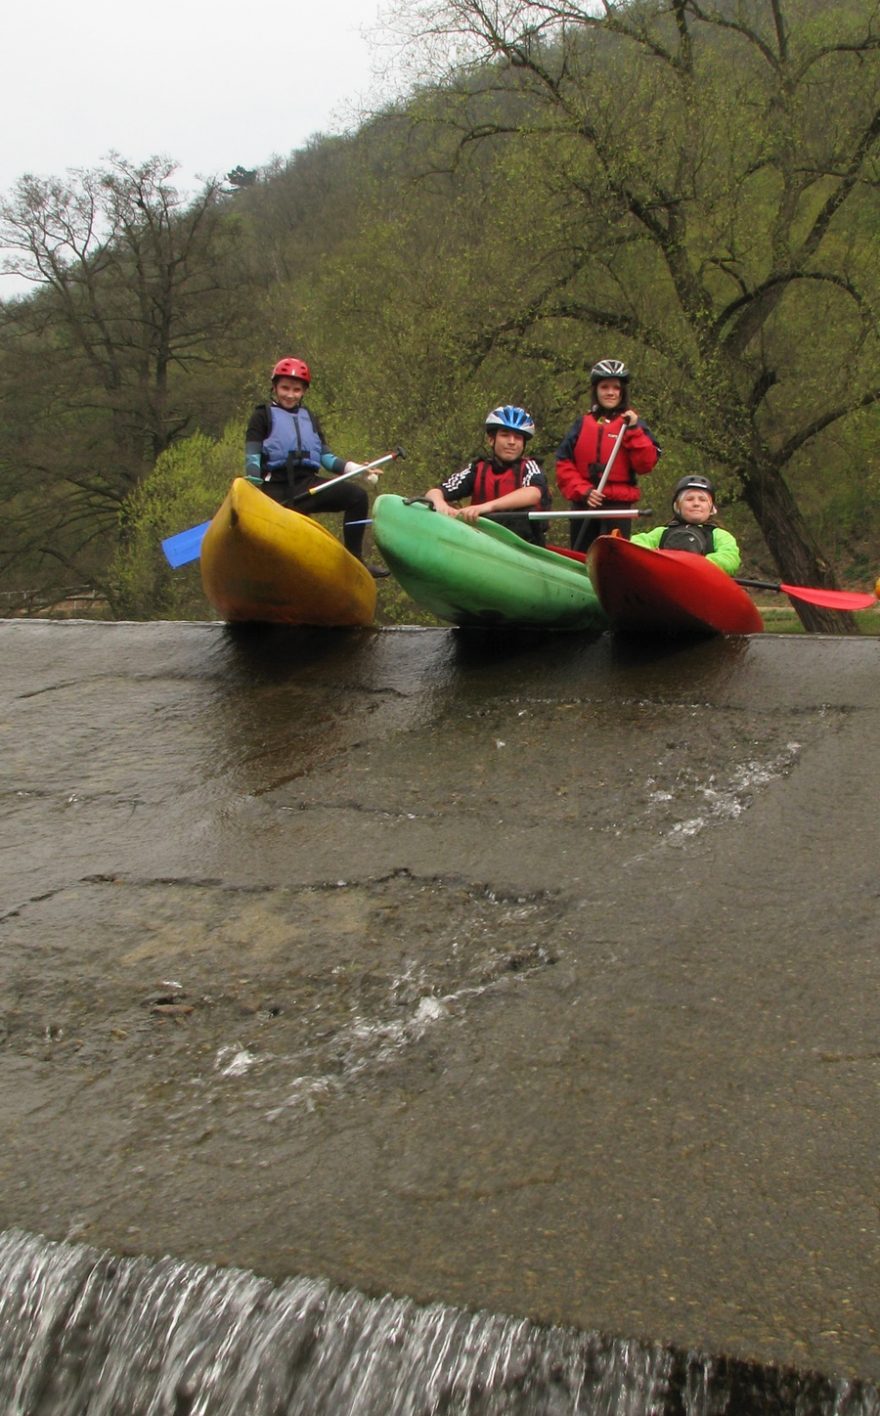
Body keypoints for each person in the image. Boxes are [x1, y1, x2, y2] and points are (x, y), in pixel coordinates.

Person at [244, 357, 389, 577]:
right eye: (284, 388)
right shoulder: (261, 415)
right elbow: (252, 456)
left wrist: (357, 470)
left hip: (307, 486)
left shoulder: (309, 418)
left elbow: (327, 458)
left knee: (357, 497)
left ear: (303, 392)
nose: (290, 394)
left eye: (296, 390)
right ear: (274, 387)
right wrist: (253, 489)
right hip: (275, 489)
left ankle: (355, 563)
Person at [555, 358, 661, 553]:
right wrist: (584, 491)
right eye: (605, 387)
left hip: (617, 507)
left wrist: (633, 430)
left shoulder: (634, 425)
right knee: (580, 555)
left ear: (622, 392)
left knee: (614, 558)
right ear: (596, 390)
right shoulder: (581, 425)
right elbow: (563, 464)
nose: (610, 392)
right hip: (585, 503)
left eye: (616, 388)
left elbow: (645, 464)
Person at [423, 405, 551, 544]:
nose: (511, 442)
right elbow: (435, 492)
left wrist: (486, 507)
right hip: (481, 541)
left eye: (518, 437)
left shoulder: (530, 467)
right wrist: (440, 503)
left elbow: (533, 493)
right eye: (505, 435)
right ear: (491, 440)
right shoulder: (477, 469)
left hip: (523, 544)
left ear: (523, 444)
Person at [631, 474, 741, 574]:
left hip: (702, 585)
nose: (696, 504)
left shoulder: (719, 535)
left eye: (702, 500)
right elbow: (635, 543)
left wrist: (698, 564)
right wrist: (657, 560)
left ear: (711, 508)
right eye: (689, 499)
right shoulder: (662, 532)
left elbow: (730, 558)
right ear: (678, 506)